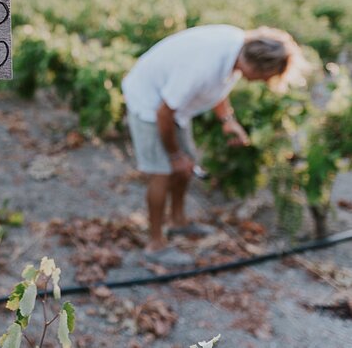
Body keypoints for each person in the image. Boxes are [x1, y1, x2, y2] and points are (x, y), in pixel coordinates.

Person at [121, 24, 305, 266]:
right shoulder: (202, 67)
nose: (262, 82)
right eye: (265, 77)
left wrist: (228, 121)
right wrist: (175, 155)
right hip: (149, 104)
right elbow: (163, 113)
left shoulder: (238, 48)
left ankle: (177, 222)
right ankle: (155, 244)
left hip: (174, 107)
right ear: (257, 66)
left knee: (187, 167)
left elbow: (219, 87)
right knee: (163, 173)